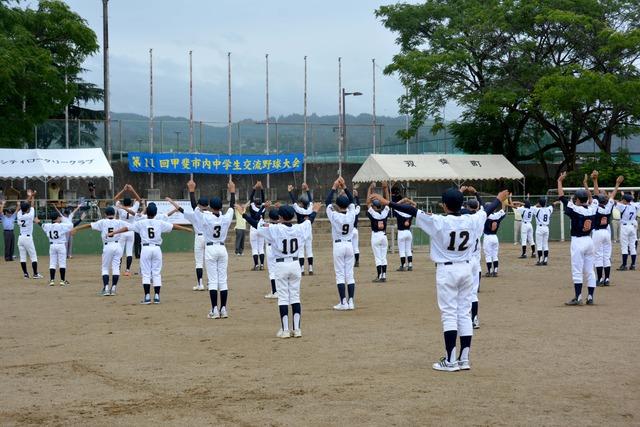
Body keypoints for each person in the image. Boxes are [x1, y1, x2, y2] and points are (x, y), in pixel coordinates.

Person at [371, 187, 508, 372]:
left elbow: (412, 211)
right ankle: (464, 358)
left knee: (450, 314)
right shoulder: (472, 218)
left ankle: (450, 360)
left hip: (447, 270)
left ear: (444, 205)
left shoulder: (439, 221)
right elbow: (488, 209)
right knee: (465, 313)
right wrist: (499, 199)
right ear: (462, 204)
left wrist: (388, 203)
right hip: (467, 269)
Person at [244, 202, 319, 338]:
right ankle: (297, 330)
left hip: (281, 265)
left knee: (283, 298)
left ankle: (285, 330)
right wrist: (314, 211)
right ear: (292, 216)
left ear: (280, 216)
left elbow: (256, 224)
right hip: (295, 264)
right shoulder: (299, 227)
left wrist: (243, 214)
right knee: (295, 297)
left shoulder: (274, 228)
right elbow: (310, 221)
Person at [109, 202, 191, 304]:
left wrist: (113, 232)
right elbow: (173, 226)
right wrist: (187, 229)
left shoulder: (141, 222)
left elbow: (126, 228)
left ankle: (147, 297)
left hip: (146, 249)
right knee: (156, 273)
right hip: (157, 249)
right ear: (156, 213)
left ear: (146, 212)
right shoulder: (159, 223)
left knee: (146, 274)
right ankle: (157, 296)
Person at [182, 179, 236, 319]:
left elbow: (195, 208)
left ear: (210, 207)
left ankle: (214, 310)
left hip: (211, 249)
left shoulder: (206, 217)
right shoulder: (225, 217)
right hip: (222, 249)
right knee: (223, 280)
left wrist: (192, 191)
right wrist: (232, 191)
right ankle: (223, 309)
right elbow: (232, 206)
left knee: (213, 281)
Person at [557, 172, 597, 305]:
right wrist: (595, 181)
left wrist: (559, 181)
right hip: (589, 241)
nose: (574, 200)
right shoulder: (592, 208)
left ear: (578, 200)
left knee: (577, 269)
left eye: (575, 199)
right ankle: (590, 297)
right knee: (590, 270)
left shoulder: (576, 209)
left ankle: (578, 297)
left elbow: (561, 197)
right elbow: (595, 196)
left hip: (578, 241)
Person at [71, 206, 127, 296]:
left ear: (105, 214)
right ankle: (113, 289)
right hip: (118, 246)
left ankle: (106, 288)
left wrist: (77, 228)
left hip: (108, 246)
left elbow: (89, 225)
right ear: (114, 214)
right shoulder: (119, 222)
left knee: (105, 268)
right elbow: (130, 226)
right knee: (116, 268)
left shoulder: (103, 222)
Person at [326, 177, 358, 310]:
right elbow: (352, 200)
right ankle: (351, 302)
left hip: (339, 245)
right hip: (349, 245)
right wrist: (344, 186)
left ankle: (343, 302)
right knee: (349, 274)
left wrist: (334, 187)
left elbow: (327, 202)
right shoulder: (352, 214)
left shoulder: (334, 215)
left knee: (340, 275)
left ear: (337, 205)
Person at [591, 172, 622, 286]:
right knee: (606, 256)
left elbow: (595, 194)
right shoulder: (609, 207)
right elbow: (612, 195)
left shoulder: (596, 207)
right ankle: (607, 279)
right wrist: (617, 184)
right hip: (606, 233)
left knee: (598, 256)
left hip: (598, 233)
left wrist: (595, 180)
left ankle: (599, 279)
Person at [114, 184, 142, 276]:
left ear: (124, 203)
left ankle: (117, 269)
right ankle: (127, 270)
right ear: (131, 203)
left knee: (120, 251)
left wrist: (123, 190)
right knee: (129, 252)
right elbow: (139, 199)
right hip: (130, 232)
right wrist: (132, 189)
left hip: (121, 232)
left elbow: (115, 198)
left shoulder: (121, 208)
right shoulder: (134, 208)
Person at [40, 212, 74, 286]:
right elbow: (71, 225)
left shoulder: (47, 225)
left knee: (52, 263)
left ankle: (52, 280)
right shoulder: (61, 226)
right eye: (59, 217)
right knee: (62, 263)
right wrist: (65, 219)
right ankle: (62, 280)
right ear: (57, 218)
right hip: (61, 245)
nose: (60, 218)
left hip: (52, 246)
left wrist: (38, 222)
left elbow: (42, 225)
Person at [288, 183, 315, 275]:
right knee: (309, 250)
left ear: (302, 204)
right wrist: (307, 189)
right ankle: (310, 268)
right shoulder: (310, 209)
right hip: (308, 231)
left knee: (300, 251)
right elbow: (311, 201)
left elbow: (293, 202)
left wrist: (290, 192)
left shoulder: (299, 210)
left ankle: (302, 269)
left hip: (300, 231)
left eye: (300, 202)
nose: (299, 203)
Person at [367, 181, 390, 282]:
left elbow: (368, 202)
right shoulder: (384, 212)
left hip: (376, 236)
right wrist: (385, 189)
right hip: (384, 236)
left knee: (377, 257)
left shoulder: (373, 213)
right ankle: (384, 275)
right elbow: (388, 201)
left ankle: (379, 275)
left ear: (374, 206)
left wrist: (370, 188)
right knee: (383, 256)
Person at [17, 189, 42, 279]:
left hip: (20, 238)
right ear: (27, 209)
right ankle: (35, 274)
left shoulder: (19, 215)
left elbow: (25, 205)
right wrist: (33, 196)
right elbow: (31, 205)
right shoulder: (30, 215)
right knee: (33, 256)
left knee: (22, 257)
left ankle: (26, 274)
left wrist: (30, 196)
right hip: (27, 238)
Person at [615, 190, 639, 271]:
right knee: (632, 246)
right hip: (632, 227)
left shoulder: (623, 206)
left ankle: (624, 265)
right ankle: (633, 264)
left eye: (623, 199)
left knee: (624, 246)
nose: (622, 201)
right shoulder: (635, 205)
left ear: (625, 200)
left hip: (625, 227)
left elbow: (612, 202)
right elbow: (633, 202)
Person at [483, 203, 507, 277]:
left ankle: (490, 271)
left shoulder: (484, 216)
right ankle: (495, 271)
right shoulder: (497, 216)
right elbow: (504, 214)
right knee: (494, 255)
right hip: (495, 237)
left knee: (488, 255)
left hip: (487, 237)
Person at [248, 181, 266, 270]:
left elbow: (251, 198)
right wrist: (261, 188)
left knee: (255, 248)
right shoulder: (263, 208)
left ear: (255, 203)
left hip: (254, 227)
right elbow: (263, 198)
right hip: (262, 228)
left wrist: (255, 188)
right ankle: (262, 265)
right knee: (261, 248)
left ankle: (256, 265)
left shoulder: (252, 207)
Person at [394, 197, 415, 271]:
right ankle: (410, 265)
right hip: (408, 232)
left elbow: (395, 205)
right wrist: (408, 201)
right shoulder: (410, 212)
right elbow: (415, 204)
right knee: (408, 249)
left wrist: (402, 200)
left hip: (401, 232)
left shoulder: (399, 212)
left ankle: (403, 265)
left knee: (402, 250)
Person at [531, 197, 554, 265]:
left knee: (539, 245)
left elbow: (531, 207)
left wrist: (537, 204)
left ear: (539, 203)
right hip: (546, 228)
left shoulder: (537, 209)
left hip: (540, 228)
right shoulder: (549, 209)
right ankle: (545, 260)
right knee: (545, 244)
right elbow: (552, 205)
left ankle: (540, 260)